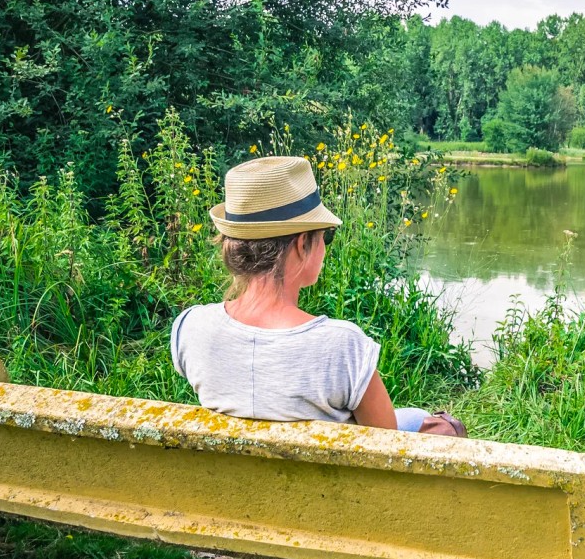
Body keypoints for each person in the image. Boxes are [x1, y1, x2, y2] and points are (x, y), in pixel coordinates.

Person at [170, 155, 433, 431]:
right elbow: (387, 445)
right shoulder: (344, 347)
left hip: (229, 472)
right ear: (301, 244)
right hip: (325, 474)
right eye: (325, 236)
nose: (325, 246)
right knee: (428, 421)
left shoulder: (190, 327)